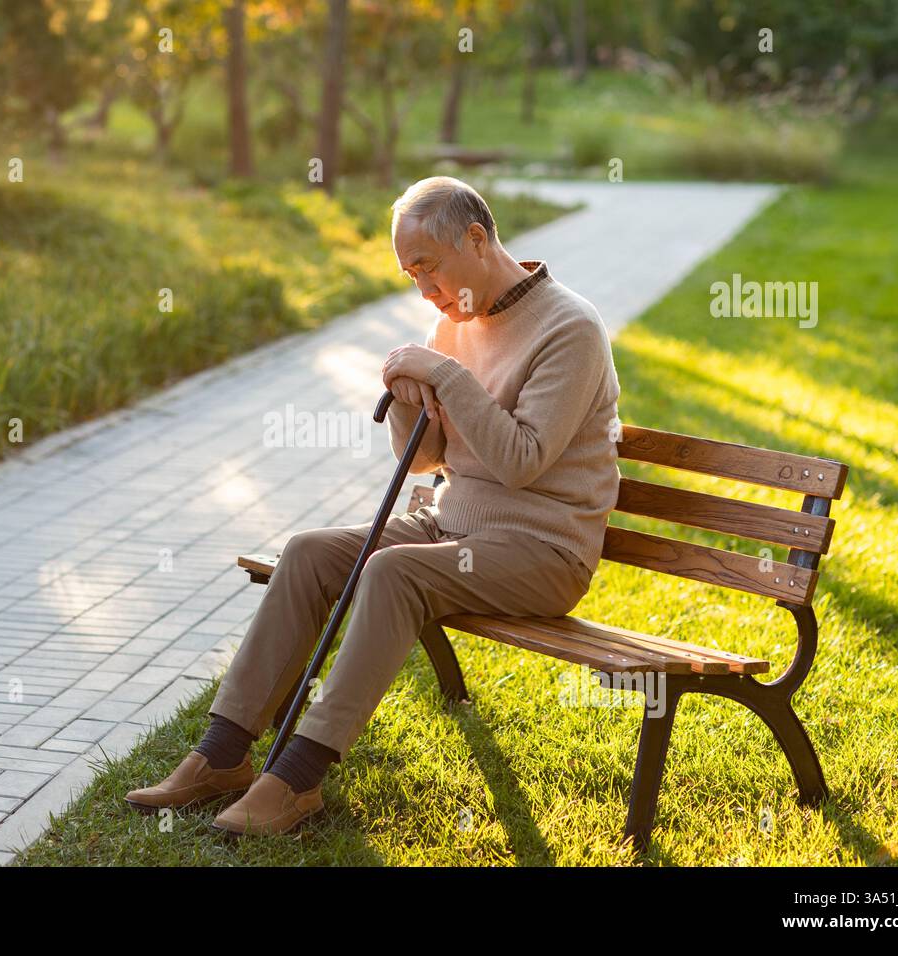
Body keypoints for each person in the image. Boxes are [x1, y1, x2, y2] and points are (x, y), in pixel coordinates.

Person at [125, 175, 621, 836]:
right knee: (308, 553)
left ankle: (297, 781)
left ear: (476, 239)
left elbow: (521, 461)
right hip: (453, 528)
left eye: (429, 268)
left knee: (393, 571)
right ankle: (221, 757)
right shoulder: (454, 320)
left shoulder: (569, 327)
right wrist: (412, 395)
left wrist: (445, 375)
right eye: (410, 274)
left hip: (542, 552)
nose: (424, 291)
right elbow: (423, 461)